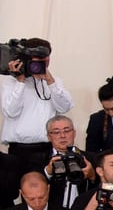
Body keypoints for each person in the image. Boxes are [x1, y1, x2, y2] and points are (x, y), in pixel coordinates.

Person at [0, 38, 75, 174]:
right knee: (27, 192)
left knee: (51, 191)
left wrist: (50, 82)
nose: (41, 63)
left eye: (45, 59)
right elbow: (10, 111)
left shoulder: (54, 81)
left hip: (48, 149)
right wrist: (20, 81)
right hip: (19, 150)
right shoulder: (11, 82)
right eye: (37, 59)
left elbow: (65, 107)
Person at [42, 115, 95, 210]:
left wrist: (92, 176)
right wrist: (48, 172)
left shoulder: (90, 158)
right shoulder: (40, 160)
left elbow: (102, 187)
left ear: (74, 133)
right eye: (56, 132)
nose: (62, 136)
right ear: (49, 137)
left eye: (67, 131)